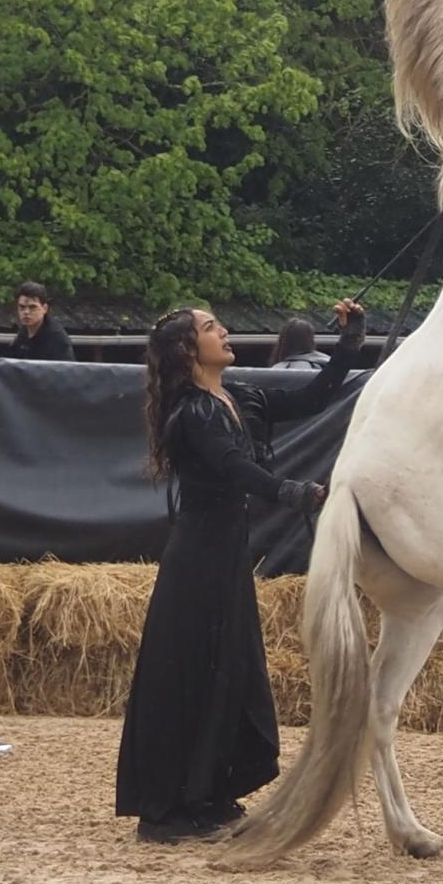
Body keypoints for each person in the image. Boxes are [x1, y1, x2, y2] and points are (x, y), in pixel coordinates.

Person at [116, 296, 366, 844]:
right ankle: (168, 811)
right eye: (211, 328)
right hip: (197, 558)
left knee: (227, 669)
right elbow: (233, 468)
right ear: (188, 349)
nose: (225, 332)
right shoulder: (192, 413)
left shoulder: (240, 397)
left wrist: (348, 344)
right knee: (191, 673)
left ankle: (207, 794)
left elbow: (315, 397)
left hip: (227, 553)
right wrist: (291, 491)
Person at [3, 281, 75, 361]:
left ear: (45, 308)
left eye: (32, 307)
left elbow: (65, 370)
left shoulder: (56, 338)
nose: (26, 312)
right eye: (22, 307)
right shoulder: (23, 333)